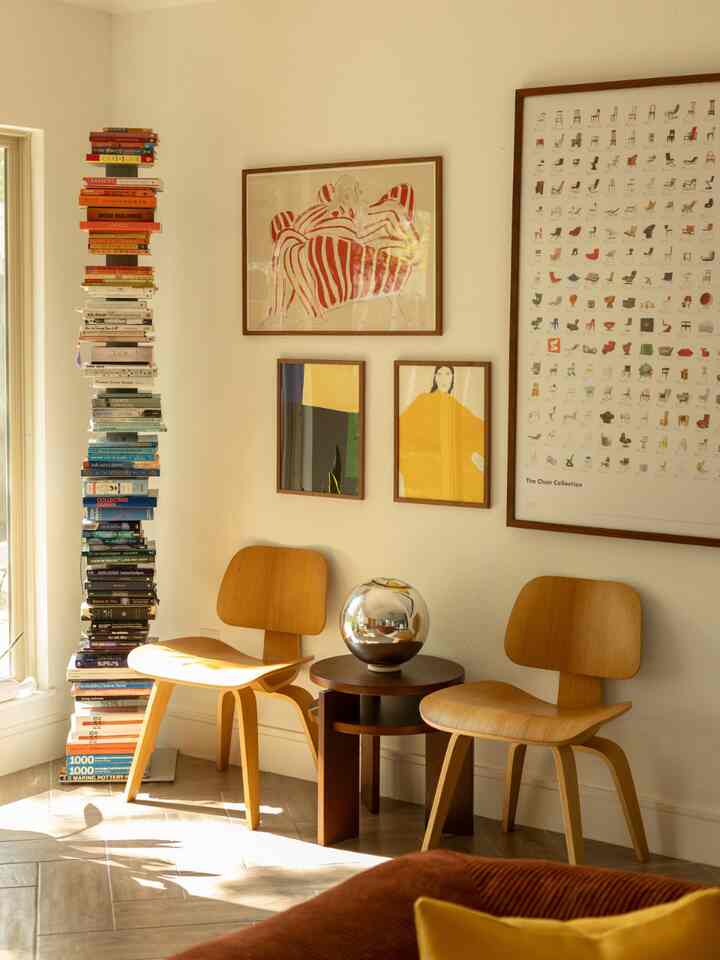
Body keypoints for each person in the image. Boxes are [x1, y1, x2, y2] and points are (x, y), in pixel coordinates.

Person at [399, 366, 485, 502]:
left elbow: (479, 429)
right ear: (435, 378)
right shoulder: (423, 400)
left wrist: (475, 453)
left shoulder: (454, 405)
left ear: (452, 379)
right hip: (425, 468)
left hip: (449, 469)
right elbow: (401, 429)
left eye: (448, 374)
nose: (444, 378)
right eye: (440, 374)